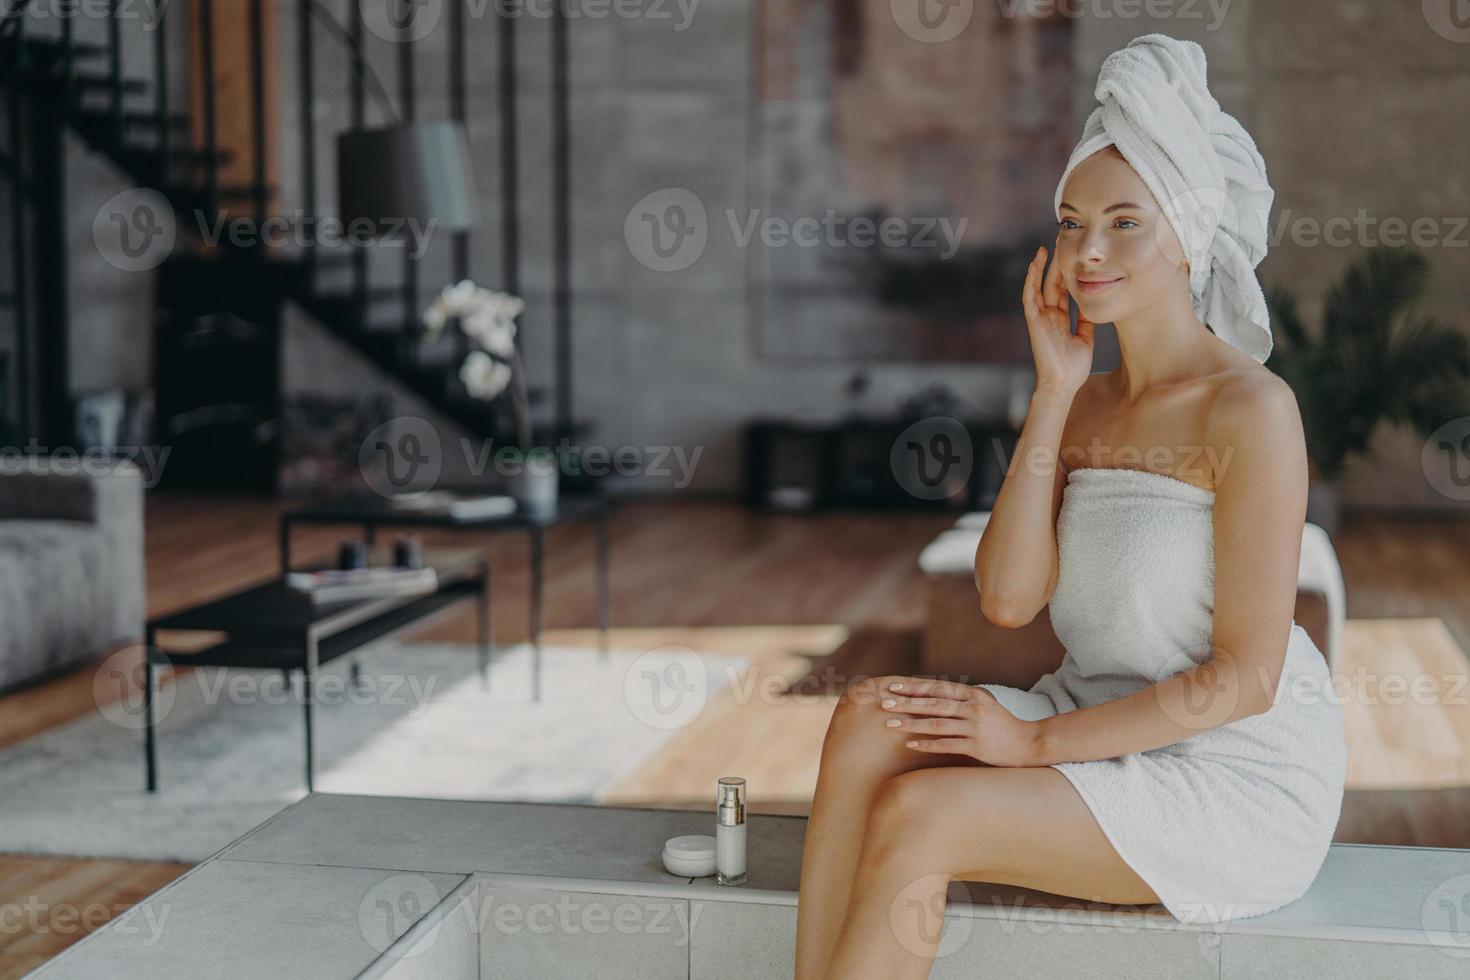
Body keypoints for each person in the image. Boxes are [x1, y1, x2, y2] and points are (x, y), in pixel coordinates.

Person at [794, 34, 1345, 980]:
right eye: (1071, 220)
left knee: (920, 814)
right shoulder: (1084, 401)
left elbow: (1247, 680)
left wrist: (1034, 741)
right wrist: (1050, 390)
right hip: (1094, 716)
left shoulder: (1250, 409)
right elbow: (1007, 600)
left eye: (1125, 222)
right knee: (866, 720)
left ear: (1187, 232)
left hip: (1231, 770)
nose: (1087, 251)